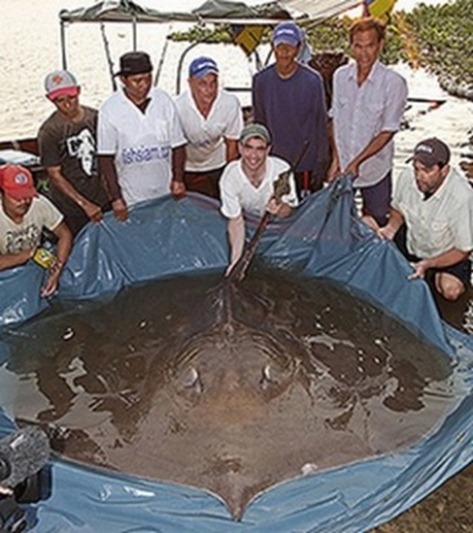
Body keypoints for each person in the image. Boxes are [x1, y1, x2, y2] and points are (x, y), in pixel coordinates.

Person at [328, 16, 408, 226]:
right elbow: (335, 120)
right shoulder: (339, 76)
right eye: (358, 46)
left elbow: (388, 130)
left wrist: (357, 162)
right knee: (340, 223)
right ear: (351, 46)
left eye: (370, 46)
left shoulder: (393, 83)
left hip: (375, 169)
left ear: (380, 45)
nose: (363, 53)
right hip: (344, 167)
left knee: (378, 222)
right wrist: (337, 159)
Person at [375, 138, 473, 301]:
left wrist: (428, 264)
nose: (419, 176)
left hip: (444, 255)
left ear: (444, 170)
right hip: (413, 242)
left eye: (427, 171)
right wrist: (391, 227)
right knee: (367, 225)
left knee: (451, 290)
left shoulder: (462, 196)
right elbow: (397, 209)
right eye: (416, 169)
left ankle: (433, 276)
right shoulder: (407, 177)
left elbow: (463, 249)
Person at [97, 51, 187, 221]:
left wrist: (178, 179)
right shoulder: (109, 109)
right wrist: (116, 198)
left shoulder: (164, 101)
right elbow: (105, 158)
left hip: (165, 192)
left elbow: (178, 145)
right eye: (137, 80)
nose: (144, 85)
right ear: (123, 80)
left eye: (148, 79)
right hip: (132, 197)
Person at [252, 21, 329, 197]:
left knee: (306, 213)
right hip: (274, 162)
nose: (285, 51)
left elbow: (320, 123)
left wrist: (321, 161)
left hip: (306, 162)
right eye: (280, 46)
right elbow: (259, 124)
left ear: (298, 48)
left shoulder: (313, 80)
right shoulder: (261, 81)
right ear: (273, 47)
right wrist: (257, 161)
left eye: (290, 46)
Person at [38, 70, 111, 236]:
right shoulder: (49, 131)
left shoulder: (96, 117)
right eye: (59, 100)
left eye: (71, 97)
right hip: (71, 206)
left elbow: (108, 156)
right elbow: (55, 175)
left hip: (102, 197)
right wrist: (84, 204)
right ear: (50, 99)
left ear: (78, 91)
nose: (67, 104)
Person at [219, 123, 298, 274]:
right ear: (240, 148)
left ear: (268, 150)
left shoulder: (282, 170)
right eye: (248, 148)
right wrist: (236, 262)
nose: (253, 155)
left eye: (260, 149)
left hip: (278, 228)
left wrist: (280, 208)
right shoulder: (230, 175)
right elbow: (235, 220)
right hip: (246, 224)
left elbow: (290, 211)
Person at [175, 56, 243, 199]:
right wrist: (178, 179)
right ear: (190, 83)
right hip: (188, 166)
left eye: (213, 83)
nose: (209, 89)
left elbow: (232, 144)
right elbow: (175, 147)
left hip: (218, 163)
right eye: (202, 84)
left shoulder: (230, 102)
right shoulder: (177, 107)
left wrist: (230, 177)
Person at [0, 164, 72, 297]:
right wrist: (28, 254)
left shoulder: (38, 203)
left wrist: (57, 270)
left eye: (27, 195)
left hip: (31, 267)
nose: (24, 202)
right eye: (17, 197)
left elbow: (64, 234)